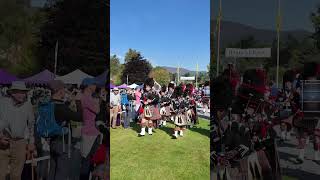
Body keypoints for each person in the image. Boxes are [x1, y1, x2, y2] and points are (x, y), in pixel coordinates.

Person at [47, 80, 83, 180]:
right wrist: (78, 101)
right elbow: (79, 117)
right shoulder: (61, 108)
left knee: (53, 170)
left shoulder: (50, 103)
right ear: (60, 91)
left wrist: (68, 101)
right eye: (64, 89)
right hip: (62, 143)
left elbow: (61, 113)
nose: (66, 91)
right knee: (62, 172)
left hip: (53, 141)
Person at [0, 81, 35, 180]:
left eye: (23, 92)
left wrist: (31, 142)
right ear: (12, 93)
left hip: (20, 143)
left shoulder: (28, 105)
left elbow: (31, 125)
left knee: (16, 176)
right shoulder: (2, 103)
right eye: (18, 92)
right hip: (3, 143)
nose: (21, 95)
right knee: (1, 175)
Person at [79, 78, 102, 180]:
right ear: (89, 86)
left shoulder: (84, 97)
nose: (96, 86)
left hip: (90, 131)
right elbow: (97, 110)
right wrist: (97, 100)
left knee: (88, 160)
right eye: (94, 84)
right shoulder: (87, 98)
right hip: (89, 133)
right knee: (87, 160)